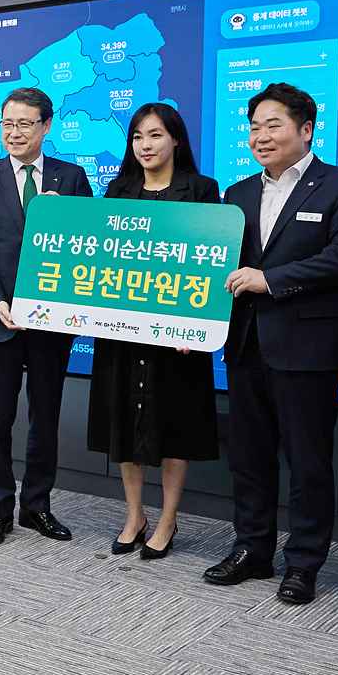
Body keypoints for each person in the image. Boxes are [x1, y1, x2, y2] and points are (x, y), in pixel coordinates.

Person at [203, 82, 338, 604]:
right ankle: (252, 549)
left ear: (306, 129)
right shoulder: (237, 194)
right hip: (246, 344)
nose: (261, 136)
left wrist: (271, 280)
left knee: (308, 461)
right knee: (249, 457)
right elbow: (220, 265)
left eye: (272, 125)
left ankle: (303, 563)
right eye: (254, 127)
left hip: (307, 347)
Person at [0, 87, 93, 547]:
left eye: (24, 124)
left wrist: (61, 217)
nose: (14, 133)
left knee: (45, 416)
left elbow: (86, 246)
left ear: (46, 126)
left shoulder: (71, 177)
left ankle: (37, 506)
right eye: (7, 124)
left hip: (50, 325)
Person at [88, 104, 220, 559]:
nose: (145, 145)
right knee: (124, 425)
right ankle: (134, 515)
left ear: (176, 139)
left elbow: (212, 260)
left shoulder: (202, 190)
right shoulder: (118, 190)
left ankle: (167, 519)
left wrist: (194, 326)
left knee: (174, 426)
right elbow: (100, 256)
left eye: (155, 135)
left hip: (178, 337)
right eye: (137, 137)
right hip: (123, 332)